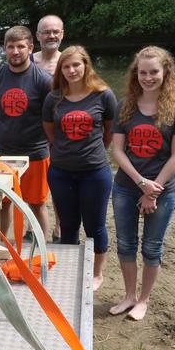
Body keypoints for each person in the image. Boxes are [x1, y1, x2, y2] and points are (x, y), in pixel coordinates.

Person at [108, 46, 175, 320]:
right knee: (125, 243)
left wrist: (153, 189)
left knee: (151, 247)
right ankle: (129, 296)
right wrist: (141, 182)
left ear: (165, 72)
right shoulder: (125, 105)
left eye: (154, 72)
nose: (148, 77)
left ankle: (143, 300)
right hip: (125, 186)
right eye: (143, 72)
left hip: (162, 191)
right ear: (136, 74)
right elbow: (118, 151)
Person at [42, 46, 117, 291]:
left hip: (94, 172)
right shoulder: (53, 98)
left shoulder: (103, 95)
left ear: (86, 65)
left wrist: (90, 152)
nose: (72, 70)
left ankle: (96, 274)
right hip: (61, 171)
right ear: (60, 70)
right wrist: (67, 151)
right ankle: (69, 269)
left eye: (76, 65)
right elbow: (50, 132)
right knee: (68, 224)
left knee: (94, 225)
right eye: (66, 66)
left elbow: (109, 132)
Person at [0, 25, 52, 238]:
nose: (15, 51)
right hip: (2, 152)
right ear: (4, 49)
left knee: (37, 204)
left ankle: (42, 251)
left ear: (31, 48)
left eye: (21, 46)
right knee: (3, 203)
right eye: (10, 47)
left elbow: (50, 118)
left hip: (35, 153)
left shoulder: (43, 80)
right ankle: (2, 244)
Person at [33, 14, 65, 242]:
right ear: (37, 36)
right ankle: (33, 225)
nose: (51, 36)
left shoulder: (69, 63)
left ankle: (60, 227)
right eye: (46, 32)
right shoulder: (28, 59)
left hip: (61, 133)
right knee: (34, 185)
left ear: (62, 34)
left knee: (58, 182)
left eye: (55, 32)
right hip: (33, 132)